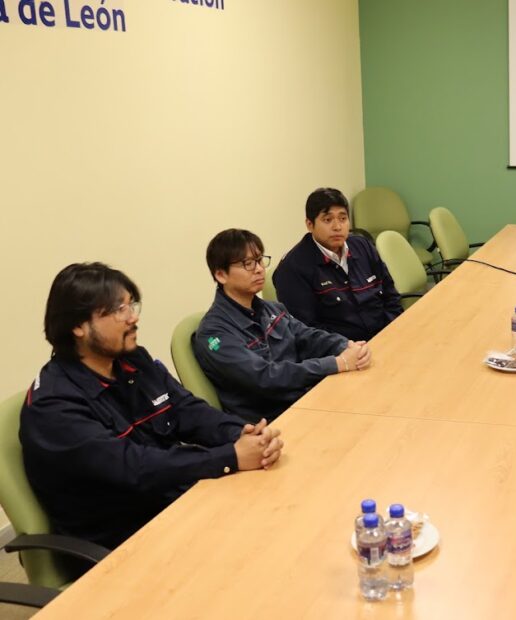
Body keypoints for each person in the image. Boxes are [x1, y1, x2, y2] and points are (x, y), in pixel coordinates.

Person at [20, 263, 284, 551]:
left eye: (131, 305)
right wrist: (231, 456)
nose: (133, 317)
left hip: (175, 503)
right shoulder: (53, 406)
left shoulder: (132, 360)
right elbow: (134, 467)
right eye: (119, 310)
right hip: (126, 540)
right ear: (78, 326)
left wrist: (243, 433)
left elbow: (186, 410)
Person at [194, 229, 371, 423]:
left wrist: (347, 347)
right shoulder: (213, 334)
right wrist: (336, 363)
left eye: (259, 260)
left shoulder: (272, 309)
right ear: (221, 275)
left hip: (306, 401)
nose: (259, 269)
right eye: (247, 264)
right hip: (271, 422)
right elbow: (265, 377)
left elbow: (308, 337)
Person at [273, 187, 404, 341]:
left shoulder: (363, 246)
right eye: (328, 220)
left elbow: (391, 296)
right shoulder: (293, 268)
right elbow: (307, 331)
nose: (337, 227)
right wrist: (350, 348)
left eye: (342, 219)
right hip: (343, 350)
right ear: (309, 224)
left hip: (387, 336)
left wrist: (392, 332)